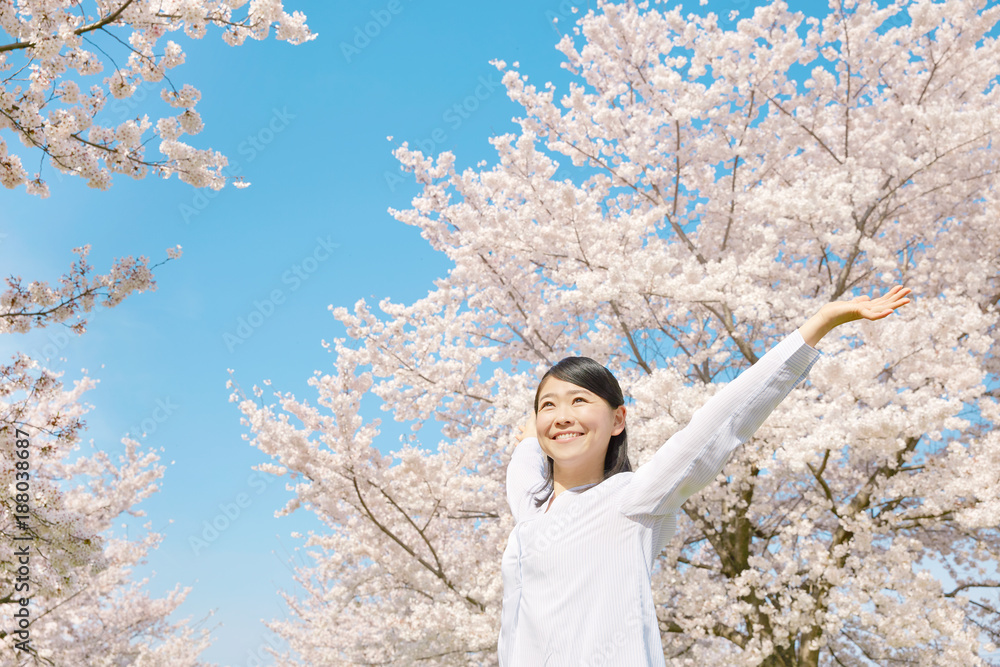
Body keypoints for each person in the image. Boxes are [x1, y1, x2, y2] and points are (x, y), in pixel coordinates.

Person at [497, 286, 912, 666]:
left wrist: (816, 326)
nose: (562, 415)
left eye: (579, 400)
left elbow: (718, 423)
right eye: (548, 405)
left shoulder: (631, 500)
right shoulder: (531, 508)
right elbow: (524, 461)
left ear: (618, 419)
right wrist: (529, 437)